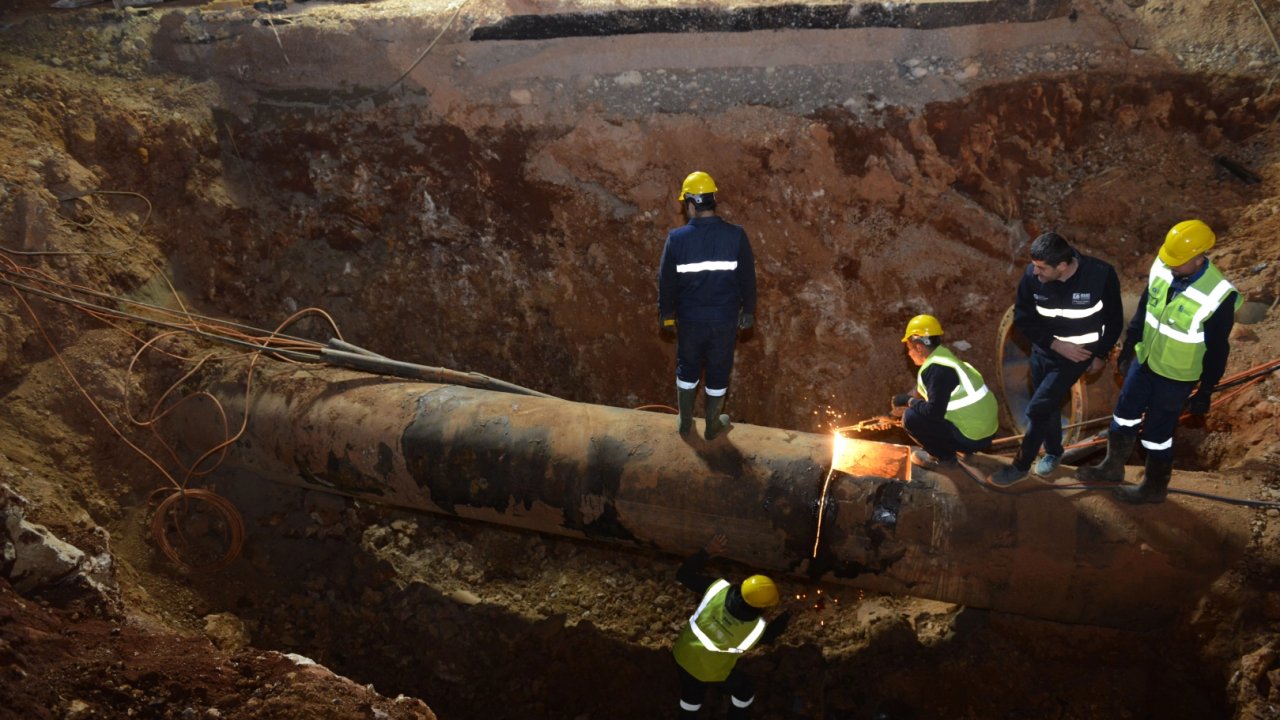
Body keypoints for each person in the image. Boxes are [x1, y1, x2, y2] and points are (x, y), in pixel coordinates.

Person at [1076, 219, 1240, 503]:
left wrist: (1205, 391)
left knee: (1156, 435)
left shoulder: (1218, 296)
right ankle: (1112, 467)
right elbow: (1144, 310)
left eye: (1178, 261)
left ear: (1200, 257)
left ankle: (1153, 488)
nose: (1171, 265)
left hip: (1175, 377)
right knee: (1123, 415)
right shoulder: (1163, 267)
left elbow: (1217, 350)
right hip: (1145, 359)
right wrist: (1129, 348)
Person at [988, 232, 1123, 487]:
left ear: (1062, 265)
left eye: (1041, 268)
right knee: (1047, 406)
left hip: (1076, 357)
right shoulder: (1032, 277)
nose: (1035, 272)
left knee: (1037, 409)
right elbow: (1023, 319)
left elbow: (1114, 321)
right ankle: (1053, 452)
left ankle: (1020, 466)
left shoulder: (1100, 275)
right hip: (1043, 352)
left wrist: (1101, 353)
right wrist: (1054, 344)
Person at [658, 171, 757, 440]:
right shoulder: (736, 236)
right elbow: (748, 277)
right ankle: (713, 424)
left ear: (691, 202)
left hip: (690, 320)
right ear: (712, 200)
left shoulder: (676, 239)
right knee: (719, 368)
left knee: (687, 366)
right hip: (724, 321)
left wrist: (667, 315)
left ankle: (685, 422)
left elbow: (666, 281)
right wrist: (748, 311)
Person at [672, 533, 790, 719]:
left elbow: (684, 575)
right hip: (711, 672)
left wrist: (707, 551)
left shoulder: (717, 589)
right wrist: (789, 613)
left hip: (683, 655)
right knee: (745, 689)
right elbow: (771, 635)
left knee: (691, 697)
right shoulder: (755, 629)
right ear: (762, 608)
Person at [891, 314, 999, 470]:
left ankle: (945, 458)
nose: (908, 353)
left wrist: (909, 401)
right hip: (986, 430)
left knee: (911, 418)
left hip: (973, 437)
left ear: (919, 347)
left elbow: (933, 413)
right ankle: (957, 446)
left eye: (909, 348)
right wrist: (894, 411)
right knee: (917, 411)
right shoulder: (944, 359)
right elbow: (926, 392)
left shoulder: (936, 371)